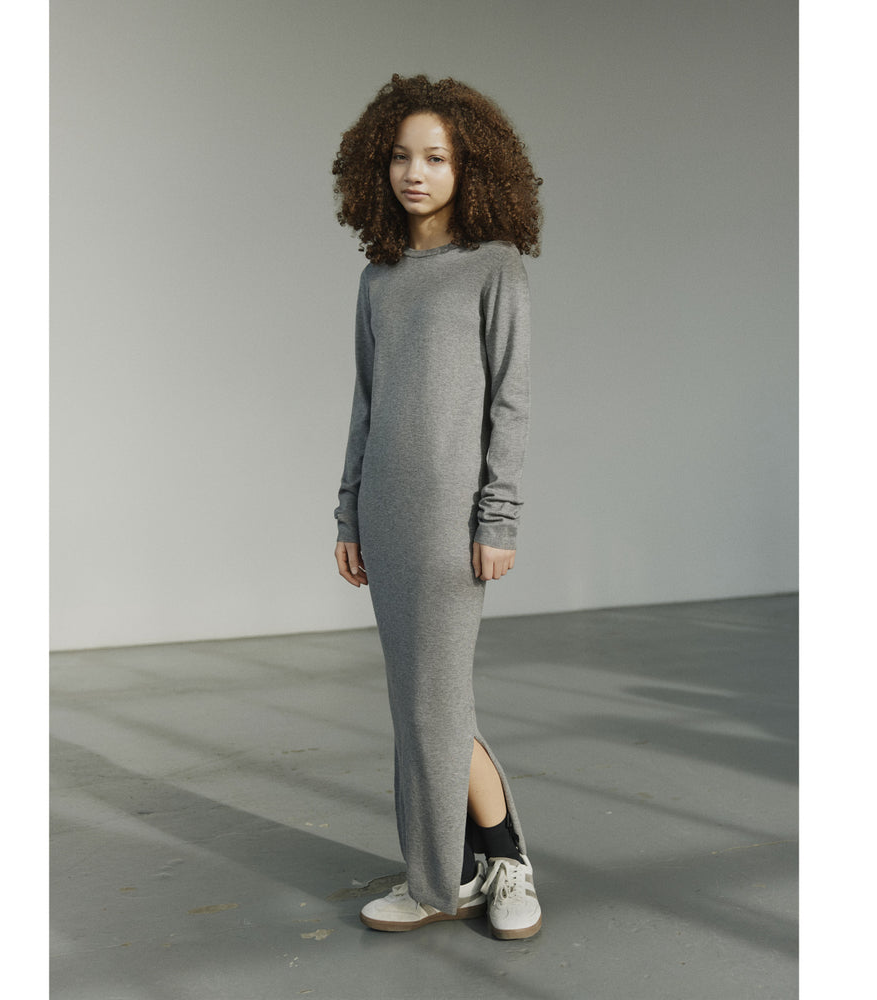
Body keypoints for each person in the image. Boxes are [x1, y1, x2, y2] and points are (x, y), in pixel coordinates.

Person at [332, 74, 543, 940]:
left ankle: (497, 863)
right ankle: (450, 872)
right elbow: (366, 404)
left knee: (437, 703)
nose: (414, 173)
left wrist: (498, 517)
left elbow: (511, 404)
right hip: (386, 511)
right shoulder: (379, 280)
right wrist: (347, 513)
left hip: (455, 522)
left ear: (470, 168)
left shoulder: (495, 268)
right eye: (400, 157)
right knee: (418, 703)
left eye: (435, 158)